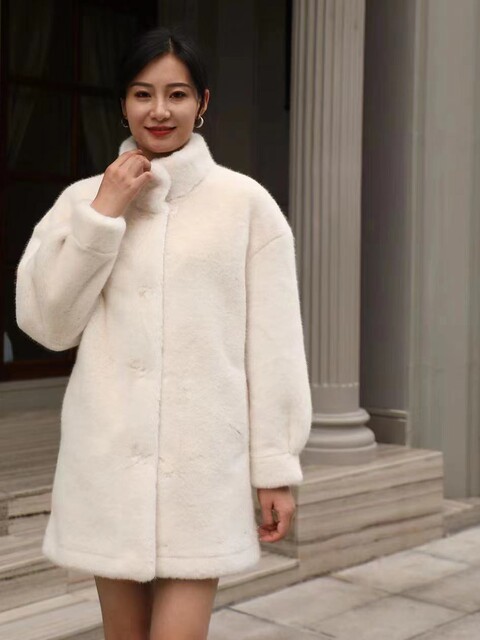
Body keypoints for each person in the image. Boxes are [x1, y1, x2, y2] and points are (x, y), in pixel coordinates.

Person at [15, 25, 312, 640]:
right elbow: (48, 325)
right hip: (106, 462)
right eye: (142, 93)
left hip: (202, 469)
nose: (159, 110)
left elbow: (275, 347)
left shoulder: (246, 205)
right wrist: (104, 214)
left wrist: (275, 467)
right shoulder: (82, 201)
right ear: (122, 103)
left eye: (177, 94)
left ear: (202, 103)